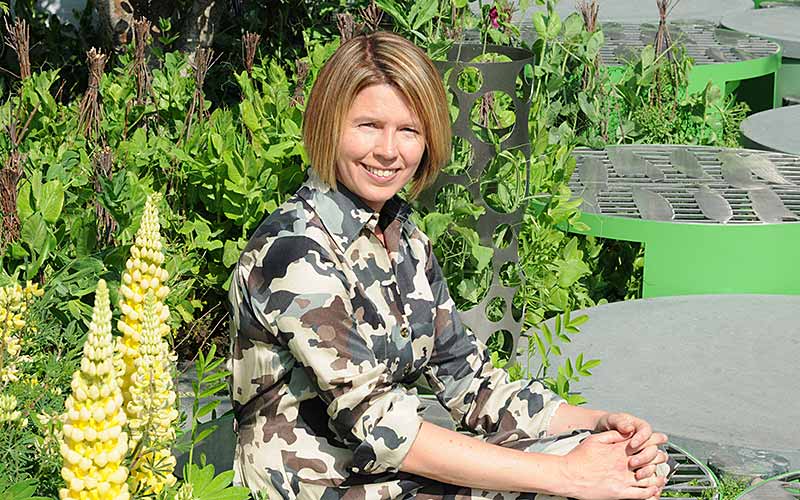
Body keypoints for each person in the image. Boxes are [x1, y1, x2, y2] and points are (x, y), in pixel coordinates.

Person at [228, 31, 671, 499]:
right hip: (323, 487)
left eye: (408, 130)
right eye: (367, 125)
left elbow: (473, 385)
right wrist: (569, 474)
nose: (388, 150)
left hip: (390, 478)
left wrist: (598, 425)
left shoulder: (404, 239)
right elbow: (381, 424)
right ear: (327, 125)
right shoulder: (295, 252)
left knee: (614, 461)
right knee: (563, 484)